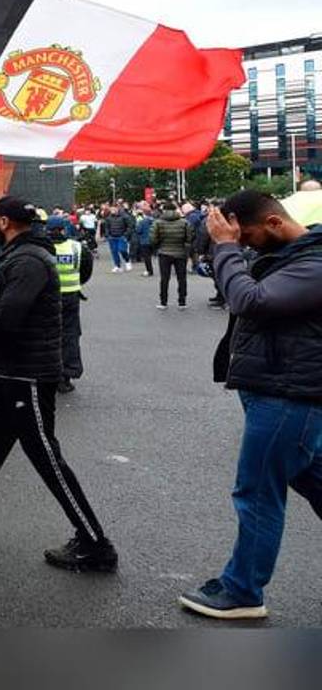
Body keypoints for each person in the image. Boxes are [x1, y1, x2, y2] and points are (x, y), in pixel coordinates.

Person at [178, 191, 322, 620]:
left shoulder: (315, 263)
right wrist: (221, 248)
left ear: (276, 223)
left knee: (257, 491)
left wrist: (226, 248)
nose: (248, 245)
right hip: (277, 389)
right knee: (310, 476)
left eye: (251, 236)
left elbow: (250, 300)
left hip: (289, 395)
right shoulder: (288, 257)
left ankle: (243, 591)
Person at [0, 196, 117, 573]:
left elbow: (11, 315)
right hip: (6, 371)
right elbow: (9, 310)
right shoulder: (22, 254)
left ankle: (95, 543)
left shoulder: (28, 259)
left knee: (47, 459)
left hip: (25, 375)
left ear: (4, 222)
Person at [46, 216, 93, 394]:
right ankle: (66, 376)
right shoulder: (76, 247)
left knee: (47, 336)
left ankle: (47, 374)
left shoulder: (41, 248)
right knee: (70, 335)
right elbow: (86, 270)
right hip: (71, 297)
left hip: (47, 298)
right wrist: (76, 283)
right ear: (64, 229)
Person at [150, 202, 195, 310]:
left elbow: (153, 239)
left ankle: (163, 302)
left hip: (164, 253)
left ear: (164, 210)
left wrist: (158, 246)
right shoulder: (184, 223)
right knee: (182, 278)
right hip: (180, 253)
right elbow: (190, 237)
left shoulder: (158, 223)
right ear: (176, 210)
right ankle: (182, 302)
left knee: (164, 279)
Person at [101, 205, 133, 273]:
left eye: (114, 209)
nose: (112, 210)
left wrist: (126, 235)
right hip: (112, 237)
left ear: (117, 209)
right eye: (111, 209)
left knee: (122, 250)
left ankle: (127, 261)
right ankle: (117, 266)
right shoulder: (109, 218)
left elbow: (130, 226)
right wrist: (107, 235)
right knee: (114, 252)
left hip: (121, 236)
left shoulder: (124, 216)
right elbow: (106, 227)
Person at [134, 207, 156, 276]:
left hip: (144, 240)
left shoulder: (142, 222)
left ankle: (149, 270)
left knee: (147, 257)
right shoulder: (155, 221)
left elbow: (138, 231)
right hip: (153, 240)